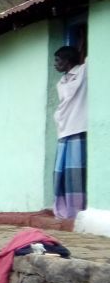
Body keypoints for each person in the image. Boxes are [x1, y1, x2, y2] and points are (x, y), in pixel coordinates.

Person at [53, 46, 87, 219]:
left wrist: (82, 44)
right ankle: (64, 209)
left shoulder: (82, 73)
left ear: (67, 61)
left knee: (77, 173)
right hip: (64, 130)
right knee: (62, 173)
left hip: (78, 128)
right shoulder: (61, 82)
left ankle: (77, 210)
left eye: (58, 61)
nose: (55, 65)